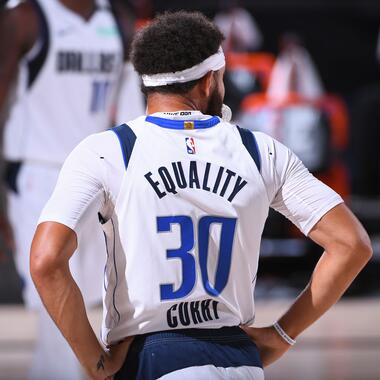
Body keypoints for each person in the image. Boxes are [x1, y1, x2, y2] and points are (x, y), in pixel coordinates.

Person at [30, 11, 372, 380]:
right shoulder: (261, 151)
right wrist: (282, 334)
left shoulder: (108, 150)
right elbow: (352, 244)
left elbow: (47, 261)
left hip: (151, 357)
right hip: (239, 359)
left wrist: (95, 362)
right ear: (210, 81)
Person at [0, 0, 143, 379]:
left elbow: (131, 108)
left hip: (97, 171)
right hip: (37, 171)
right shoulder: (26, 16)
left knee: (83, 299)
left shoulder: (117, 17)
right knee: (55, 292)